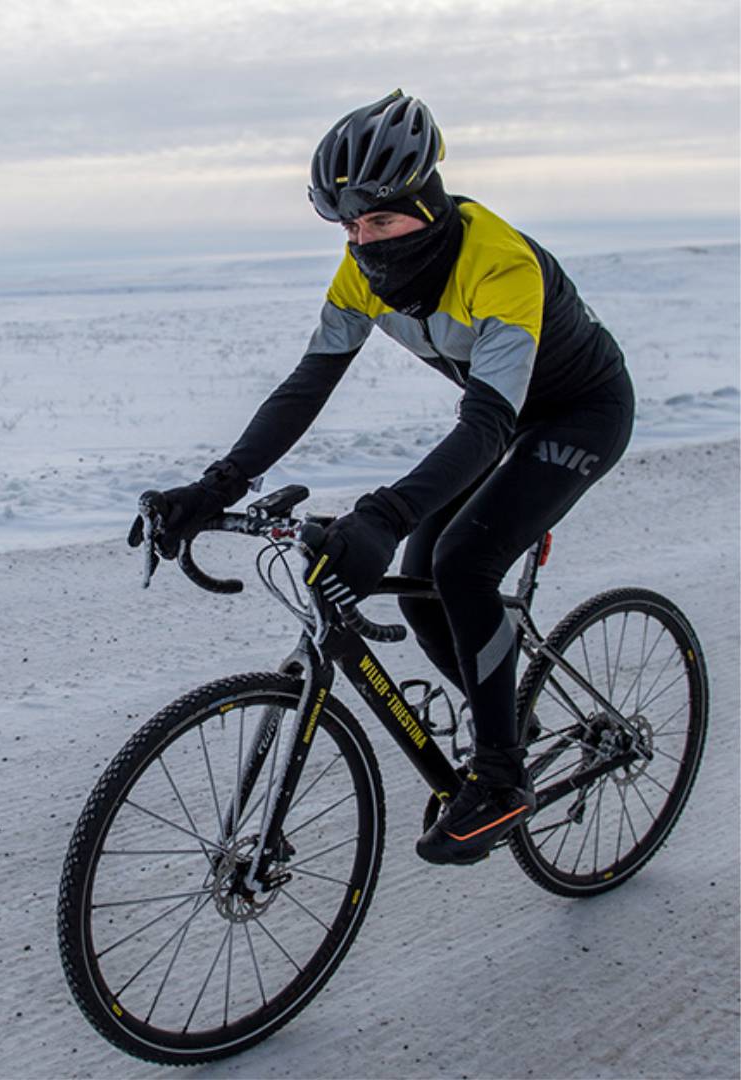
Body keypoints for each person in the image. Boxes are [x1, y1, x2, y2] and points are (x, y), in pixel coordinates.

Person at [128, 90, 634, 866]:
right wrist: (216, 486)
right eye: (348, 225)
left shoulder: (499, 264)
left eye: (381, 220)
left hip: (578, 414)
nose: (363, 241)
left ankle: (501, 779)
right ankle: (512, 728)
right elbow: (308, 385)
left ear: (427, 206)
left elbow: (488, 426)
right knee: (427, 577)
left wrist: (383, 513)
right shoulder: (360, 268)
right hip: (501, 413)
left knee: (463, 560)